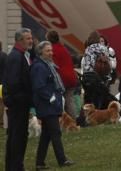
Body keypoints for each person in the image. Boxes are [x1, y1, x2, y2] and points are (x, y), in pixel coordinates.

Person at [31, 40, 73, 169]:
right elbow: (40, 86)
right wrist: (52, 98)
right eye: (48, 51)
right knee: (55, 132)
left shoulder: (48, 65)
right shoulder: (39, 67)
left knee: (46, 135)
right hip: (46, 106)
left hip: (50, 105)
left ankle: (40, 163)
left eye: (51, 50)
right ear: (40, 52)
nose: (51, 53)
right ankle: (62, 160)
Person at [4, 28, 33, 171]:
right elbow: (14, 82)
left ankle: (14, 165)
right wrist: (23, 99)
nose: (31, 40)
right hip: (18, 104)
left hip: (18, 102)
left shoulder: (20, 55)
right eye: (28, 38)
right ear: (20, 40)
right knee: (18, 136)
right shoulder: (17, 56)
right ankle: (16, 166)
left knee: (17, 135)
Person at [47, 31, 80, 121]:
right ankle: (72, 120)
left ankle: (70, 121)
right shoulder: (63, 48)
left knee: (64, 101)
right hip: (71, 77)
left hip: (63, 78)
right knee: (69, 99)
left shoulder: (52, 50)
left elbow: (54, 66)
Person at [80, 32, 113, 109]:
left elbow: (87, 64)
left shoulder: (87, 49)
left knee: (89, 97)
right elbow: (108, 63)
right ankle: (101, 111)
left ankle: (89, 113)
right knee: (101, 95)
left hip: (89, 77)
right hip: (101, 76)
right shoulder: (103, 48)